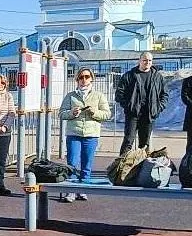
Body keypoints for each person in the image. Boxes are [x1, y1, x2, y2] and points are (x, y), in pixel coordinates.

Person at [59, 67, 112, 202]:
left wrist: (95, 112)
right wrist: (72, 113)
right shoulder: (71, 96)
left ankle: (83, 189)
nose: (84, 80)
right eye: (81, 77)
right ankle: (71, 191)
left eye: (87, 77)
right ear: (77, 80)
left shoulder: (99, 95)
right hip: (74, 133)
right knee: (72, 163)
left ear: (91, 79)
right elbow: (61, 113)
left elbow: (107, 114)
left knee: (87, 163)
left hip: (91, 134)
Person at [116, 51, 168, 154]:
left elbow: (164, 94)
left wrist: (158, 107)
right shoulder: (129, 75)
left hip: (149, 114)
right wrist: (128, 106)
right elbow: (119, 93)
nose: (147, 62)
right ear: (139, 61)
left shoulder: (158, 77)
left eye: (149, 60)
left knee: (144, 144)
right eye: (145, 60)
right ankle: (121, 163)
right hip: (133, 114)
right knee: (128, 141)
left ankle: (142, 163)